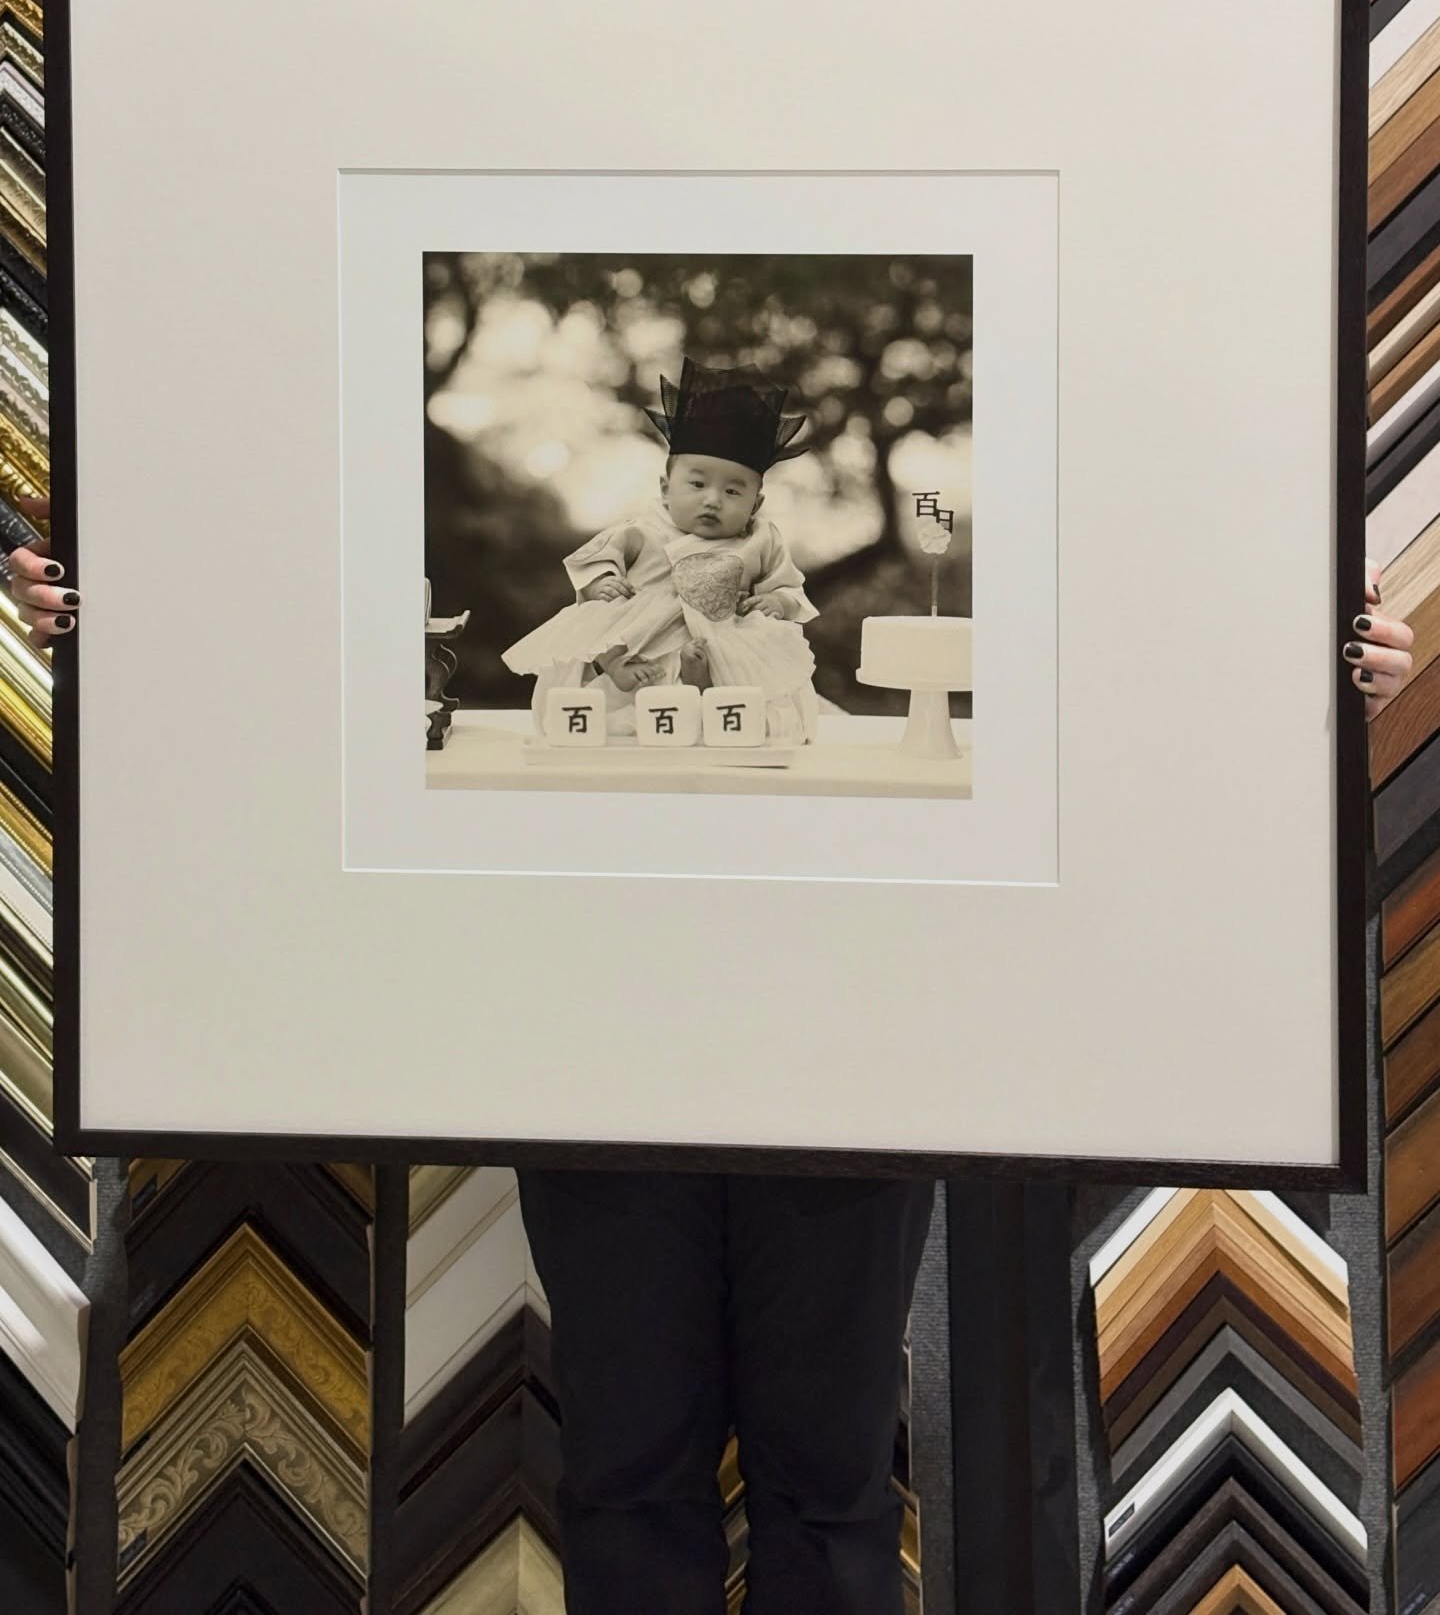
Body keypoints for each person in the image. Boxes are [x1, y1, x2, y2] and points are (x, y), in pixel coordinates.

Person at [13, 515, 1413, 1614]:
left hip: (856, 1046)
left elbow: (1122, 658)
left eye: (732, 495)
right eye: (690, 482)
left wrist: (1288, 663)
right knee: (628, 1470)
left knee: (833, 1480)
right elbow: (311, 642)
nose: (709, 507)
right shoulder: (591, 601)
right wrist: (143, 603)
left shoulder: (887, 580)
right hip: (604, 1050)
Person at [501, 357, 822, 744]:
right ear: (666, 488)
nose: (713, 500)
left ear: (755, 504)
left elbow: (788, 586)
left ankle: (701, 686)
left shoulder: (761, 539)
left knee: (740, 657)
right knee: (601, 617)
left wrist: (778, 603)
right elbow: (598, 555)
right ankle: (616, 665)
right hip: (646, 624)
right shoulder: (646, 528)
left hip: (719, 629)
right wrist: (603, 580)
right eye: (697, 484)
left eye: (733, 491)